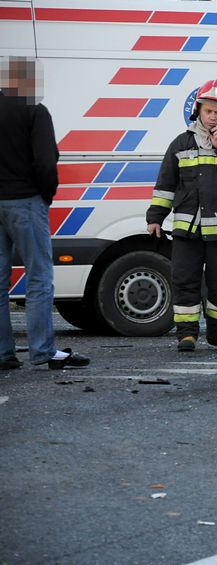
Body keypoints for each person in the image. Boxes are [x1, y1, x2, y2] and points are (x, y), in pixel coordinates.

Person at [146, 79, 217, 352]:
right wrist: (155, 217)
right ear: (198, 110)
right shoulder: (180, 143)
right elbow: (166, 184)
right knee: (185, 282)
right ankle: (187, 335)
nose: (212, 117)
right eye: (208, 111)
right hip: (187, 230)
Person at [0, 56, 89, 370]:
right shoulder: (34, 111)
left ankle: (3, 353)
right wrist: (46, 195)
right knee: (38, 278)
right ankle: (43, 351)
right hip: (26, 201)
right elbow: (46, 162)